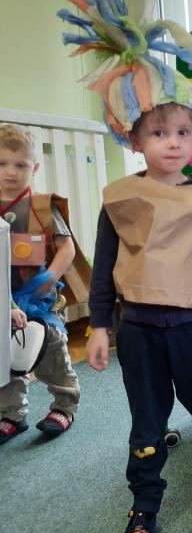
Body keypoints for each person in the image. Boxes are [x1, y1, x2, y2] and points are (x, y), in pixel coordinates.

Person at [68, 0, 192, 533]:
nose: (174, 143)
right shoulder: (123, 199)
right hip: (140, 328)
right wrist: (98, 326)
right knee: (146, 422)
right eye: (160, 132)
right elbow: (104, 268)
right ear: (134, 136)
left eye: (184, 133)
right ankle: (144, 504)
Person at [0, 123, 83, 444]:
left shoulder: (41, 207)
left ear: (34, 168)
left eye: (20, 165)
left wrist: (50, 278)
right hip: (3, 297)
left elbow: (67, 248)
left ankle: (64, 405)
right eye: (2, 163)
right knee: (5, 355)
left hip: (39, 296)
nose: (11, 171)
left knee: (50, 350)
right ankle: (11, 412)